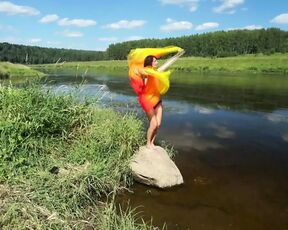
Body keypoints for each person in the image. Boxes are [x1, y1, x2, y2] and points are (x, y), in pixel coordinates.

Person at [128, 46, 184, 149]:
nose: (157, 62)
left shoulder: (156, 72)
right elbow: (138, 70)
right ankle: (148, 144)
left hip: (157, 101)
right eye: (155, 61)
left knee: (158, 124)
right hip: (147, 101)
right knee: (153, 124)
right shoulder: (145, 73)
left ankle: (152, 143)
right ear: (150, 63)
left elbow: (166, 64)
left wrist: (177, 55)